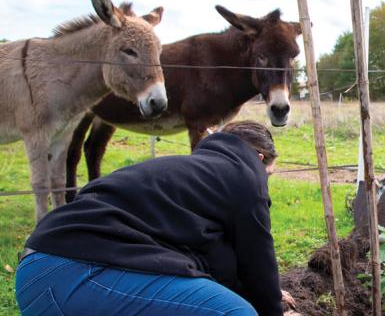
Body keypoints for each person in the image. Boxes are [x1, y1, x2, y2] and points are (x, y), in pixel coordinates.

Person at [16, 121, 295, 315]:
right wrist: (271, 309)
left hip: (41, 272)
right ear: (259, 159)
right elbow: (256, 256)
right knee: (233, 312)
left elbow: (218, 263)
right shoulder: (244, 175)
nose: (264, 186)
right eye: (267, 176)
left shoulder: (189, 177)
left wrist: (266, 293)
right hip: (77, 274)